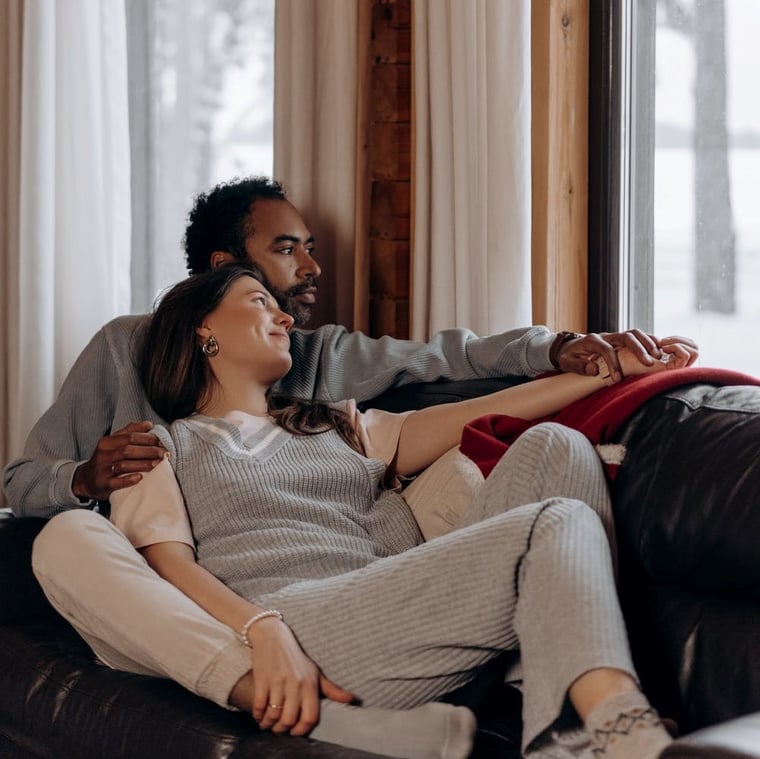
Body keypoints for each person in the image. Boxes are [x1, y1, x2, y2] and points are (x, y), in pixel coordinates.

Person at [34, 267, 696, 758]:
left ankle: (549, 701)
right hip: (296, 634)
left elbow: (475, 417)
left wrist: (606, 371)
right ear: (203, 329)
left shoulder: (337, 424)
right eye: (259, 300)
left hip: (388, 612)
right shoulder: (161, 446)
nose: (286, 315)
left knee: (557, 445)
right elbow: (167, 564)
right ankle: (609, 726)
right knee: (559, 522)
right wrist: (263, 632)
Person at [4, 176, 690, 515]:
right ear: (221, 266)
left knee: (541, 459)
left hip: (310, 566)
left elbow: (451, 355)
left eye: (311, 248)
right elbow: (18, 481)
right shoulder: (125, 347)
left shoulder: (317, 356)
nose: (312, 269)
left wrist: (564, 348)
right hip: (157, 567)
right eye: (285, 250)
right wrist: (85, 479)